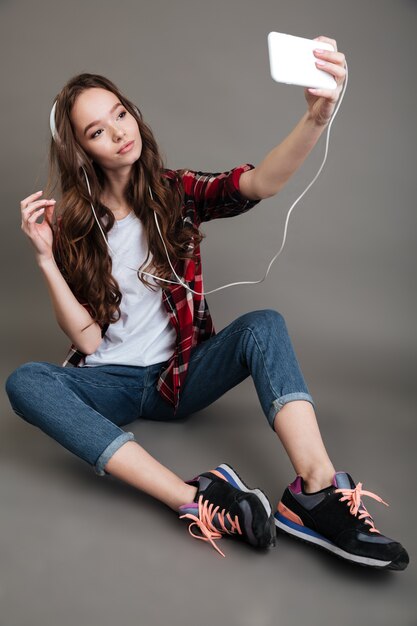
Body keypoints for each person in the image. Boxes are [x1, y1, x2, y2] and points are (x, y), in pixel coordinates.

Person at [5, 36, 409, 568]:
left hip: (179, 378)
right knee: (25, 382)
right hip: (110, 383)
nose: (119, 132)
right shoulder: (76, 228)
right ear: (83, 150)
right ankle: (194, 497)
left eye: (120, 114)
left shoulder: (177, 194)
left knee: (264, 324)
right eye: (98, 130)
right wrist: (45, 260)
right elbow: (86, 339)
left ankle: (313, 493)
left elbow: (260, 182)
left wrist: (316, 118)